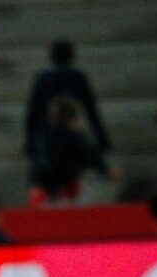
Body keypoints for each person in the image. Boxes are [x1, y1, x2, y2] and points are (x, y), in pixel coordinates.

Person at [25, 40, 110, 170]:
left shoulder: (43, 78)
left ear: (52, 56)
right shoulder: (76, 77)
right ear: (71, 56)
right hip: (69, 132)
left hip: (47, 134)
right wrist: (101, 137)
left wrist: (29, 141)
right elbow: (91, 109)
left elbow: (32, 113)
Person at [29, 96, 119, 206]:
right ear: (73, 119)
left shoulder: (42, 137)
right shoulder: (76, 137)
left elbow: (37, 162)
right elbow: (91, 155)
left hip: (41, 188)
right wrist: (105, 170)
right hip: (65, 188)